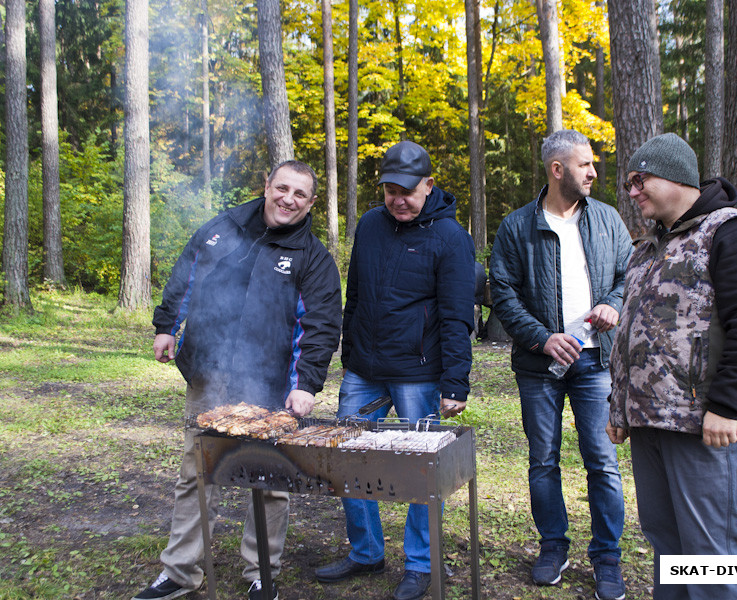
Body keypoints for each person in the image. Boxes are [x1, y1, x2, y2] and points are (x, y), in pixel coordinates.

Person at [133, 161, 342, 600]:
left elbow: (321, 326)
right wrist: (167, 324)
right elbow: (186, 273)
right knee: (197, 471)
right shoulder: (222, 228)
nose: (288, 199)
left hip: (273, 384)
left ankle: (261, 572)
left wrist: (305, 384)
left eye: (300, 194)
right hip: (208, 373)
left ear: (311, 203)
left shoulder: (314, 258)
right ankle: (180, 573)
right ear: (266, 185)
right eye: (282, 188)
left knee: (271, 481)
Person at [606, 133, 737, 600]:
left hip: (703, 425)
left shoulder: (732, 232)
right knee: (669, 549)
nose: (633, 190)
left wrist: (725, 405)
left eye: (640, 180)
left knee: (711, 558)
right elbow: (631, 336)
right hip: (649, 423)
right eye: (629, 184)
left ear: (675, 175)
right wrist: (619, 408)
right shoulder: (646, 249)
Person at [313, 141, 475, 600]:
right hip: (364, 368)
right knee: (347, 458)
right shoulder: (369, 225)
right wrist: (349, 355)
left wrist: (455, 380)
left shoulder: (450, 237)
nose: (398, 199)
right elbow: (357, 295)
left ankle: (420, 564)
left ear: (428, 184)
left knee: (418, 469)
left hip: (418, 373)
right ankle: (366, 552)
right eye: (389, 190)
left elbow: (457, 314)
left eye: (406, 190)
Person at [489, 129, 631, 600]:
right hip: (539, 368)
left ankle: (607, 557)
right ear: (557, 170)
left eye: (592, 165)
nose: (593, 172)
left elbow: (628, 275)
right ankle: (553, 546)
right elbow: (502, 293)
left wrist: (613, 304)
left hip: (595, 365)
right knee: (543, 461)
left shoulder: (608, 220)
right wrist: (542, 339)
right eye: (584, 164)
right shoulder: (516, 226)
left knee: (603, 462)